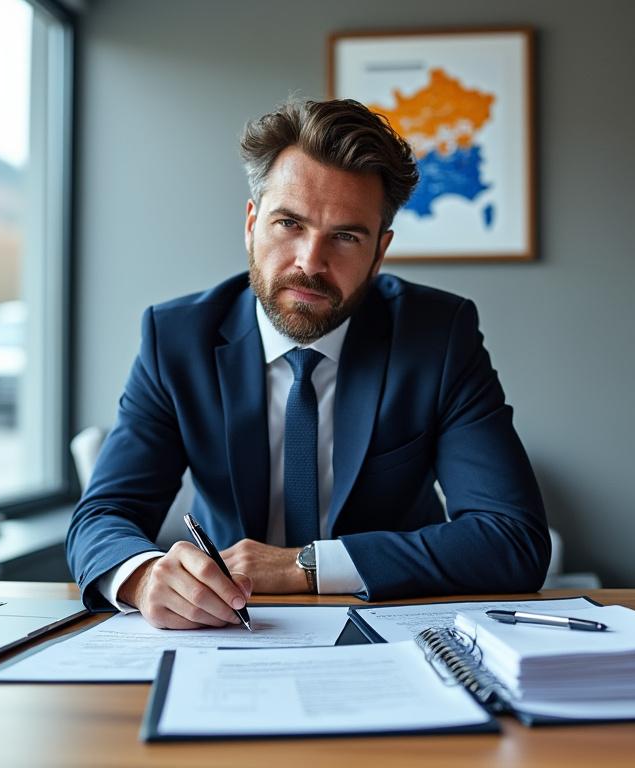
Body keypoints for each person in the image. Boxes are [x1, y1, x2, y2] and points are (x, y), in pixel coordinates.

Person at [66, 98, 549, 630]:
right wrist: (144, 575)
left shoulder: (437, 335)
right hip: (222, 630)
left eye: (345, 236)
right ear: (252, 224)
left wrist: (307, 566)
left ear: (379, 252)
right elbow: (101, 517)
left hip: (389, 628)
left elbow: (513, 538)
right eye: (289, 224)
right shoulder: (177, 339)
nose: (310, 263)